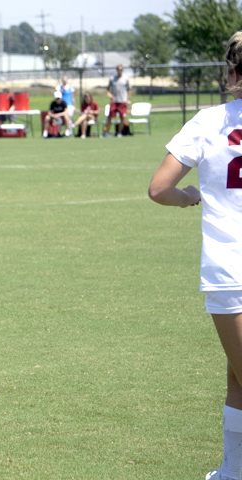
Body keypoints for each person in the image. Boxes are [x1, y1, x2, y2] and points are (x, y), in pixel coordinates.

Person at [148, 31, 242, 480]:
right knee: (236, 376)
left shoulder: (209, 121)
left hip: (230, 267)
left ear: (233, 73)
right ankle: (232, 470)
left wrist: (187, 197)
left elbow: (159, 188)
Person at [103, 64, 131, 138]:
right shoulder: (112, 78)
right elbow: (108, 88)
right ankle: (107, 132)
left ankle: (119, 132)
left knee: (122, 117)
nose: (120, 71)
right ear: (117, 70)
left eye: (121, 69)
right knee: (110, 117)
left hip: (122, 101)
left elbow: (129, 89)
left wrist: (128, 99)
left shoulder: (126, 79)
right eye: (119, 69)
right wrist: (109, 94)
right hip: (114, 101)